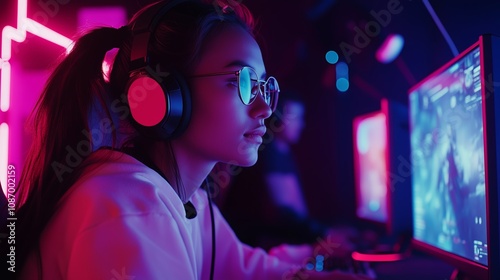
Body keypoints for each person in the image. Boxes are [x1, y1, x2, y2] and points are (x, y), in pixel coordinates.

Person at [5, 0, 372, 279]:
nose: (264, 108)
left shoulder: (187, 199)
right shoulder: (129, 209)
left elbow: (243, 268)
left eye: (264, 86)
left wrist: (316, 264)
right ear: (161, 96)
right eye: (241, 82)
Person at [220, 91, 354, 251]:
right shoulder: (268, 153)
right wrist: (326, 234)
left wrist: (326, 231)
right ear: (277, 118)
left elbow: (296, 213)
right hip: (256, 249)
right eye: (296, 117)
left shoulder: (282, 151)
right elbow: (284, 214)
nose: (301, 123)